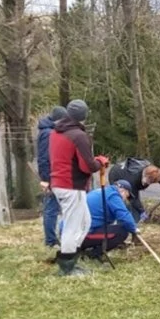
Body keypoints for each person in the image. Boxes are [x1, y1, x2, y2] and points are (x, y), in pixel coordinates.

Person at [49, 99, 107, 276]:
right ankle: (67, 266)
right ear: (84, 116)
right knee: (73, 226)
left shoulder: (55, 132)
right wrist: (100, 162)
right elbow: (86, 166)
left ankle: (72, 257)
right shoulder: (79, 136)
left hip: (60, 183)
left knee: (85, 222)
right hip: (72, 186)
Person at [108, 157, 160, 222]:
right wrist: (141, 211)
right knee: (123, 200)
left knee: (134, 206)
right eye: (149, 182)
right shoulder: (133, 179)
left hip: (131, 175)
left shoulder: (152, 170)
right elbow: (134, 197)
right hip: (116, 175)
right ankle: (124, 221)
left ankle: (133, 221)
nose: (149, 184)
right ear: (145, 176)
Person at [81, 180, 139, 259]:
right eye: (127, 196)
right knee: (122, 232)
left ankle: (86, 248)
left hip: (72, 233)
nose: (125, 200)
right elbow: (124, 216)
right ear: (123, 191)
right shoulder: (113, 195)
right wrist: (134, 229)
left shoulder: (101, 191)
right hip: (82, 235)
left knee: (110, 228)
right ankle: (92, 254)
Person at [36, 106, 67, 249]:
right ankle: (50, 240)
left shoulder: (51, 131)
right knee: (51, 208)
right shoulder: (47, 134)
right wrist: (45, 179)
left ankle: (55, 238)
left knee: (55, 207)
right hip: (51, 176)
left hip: (57, 174)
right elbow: (43, 158)